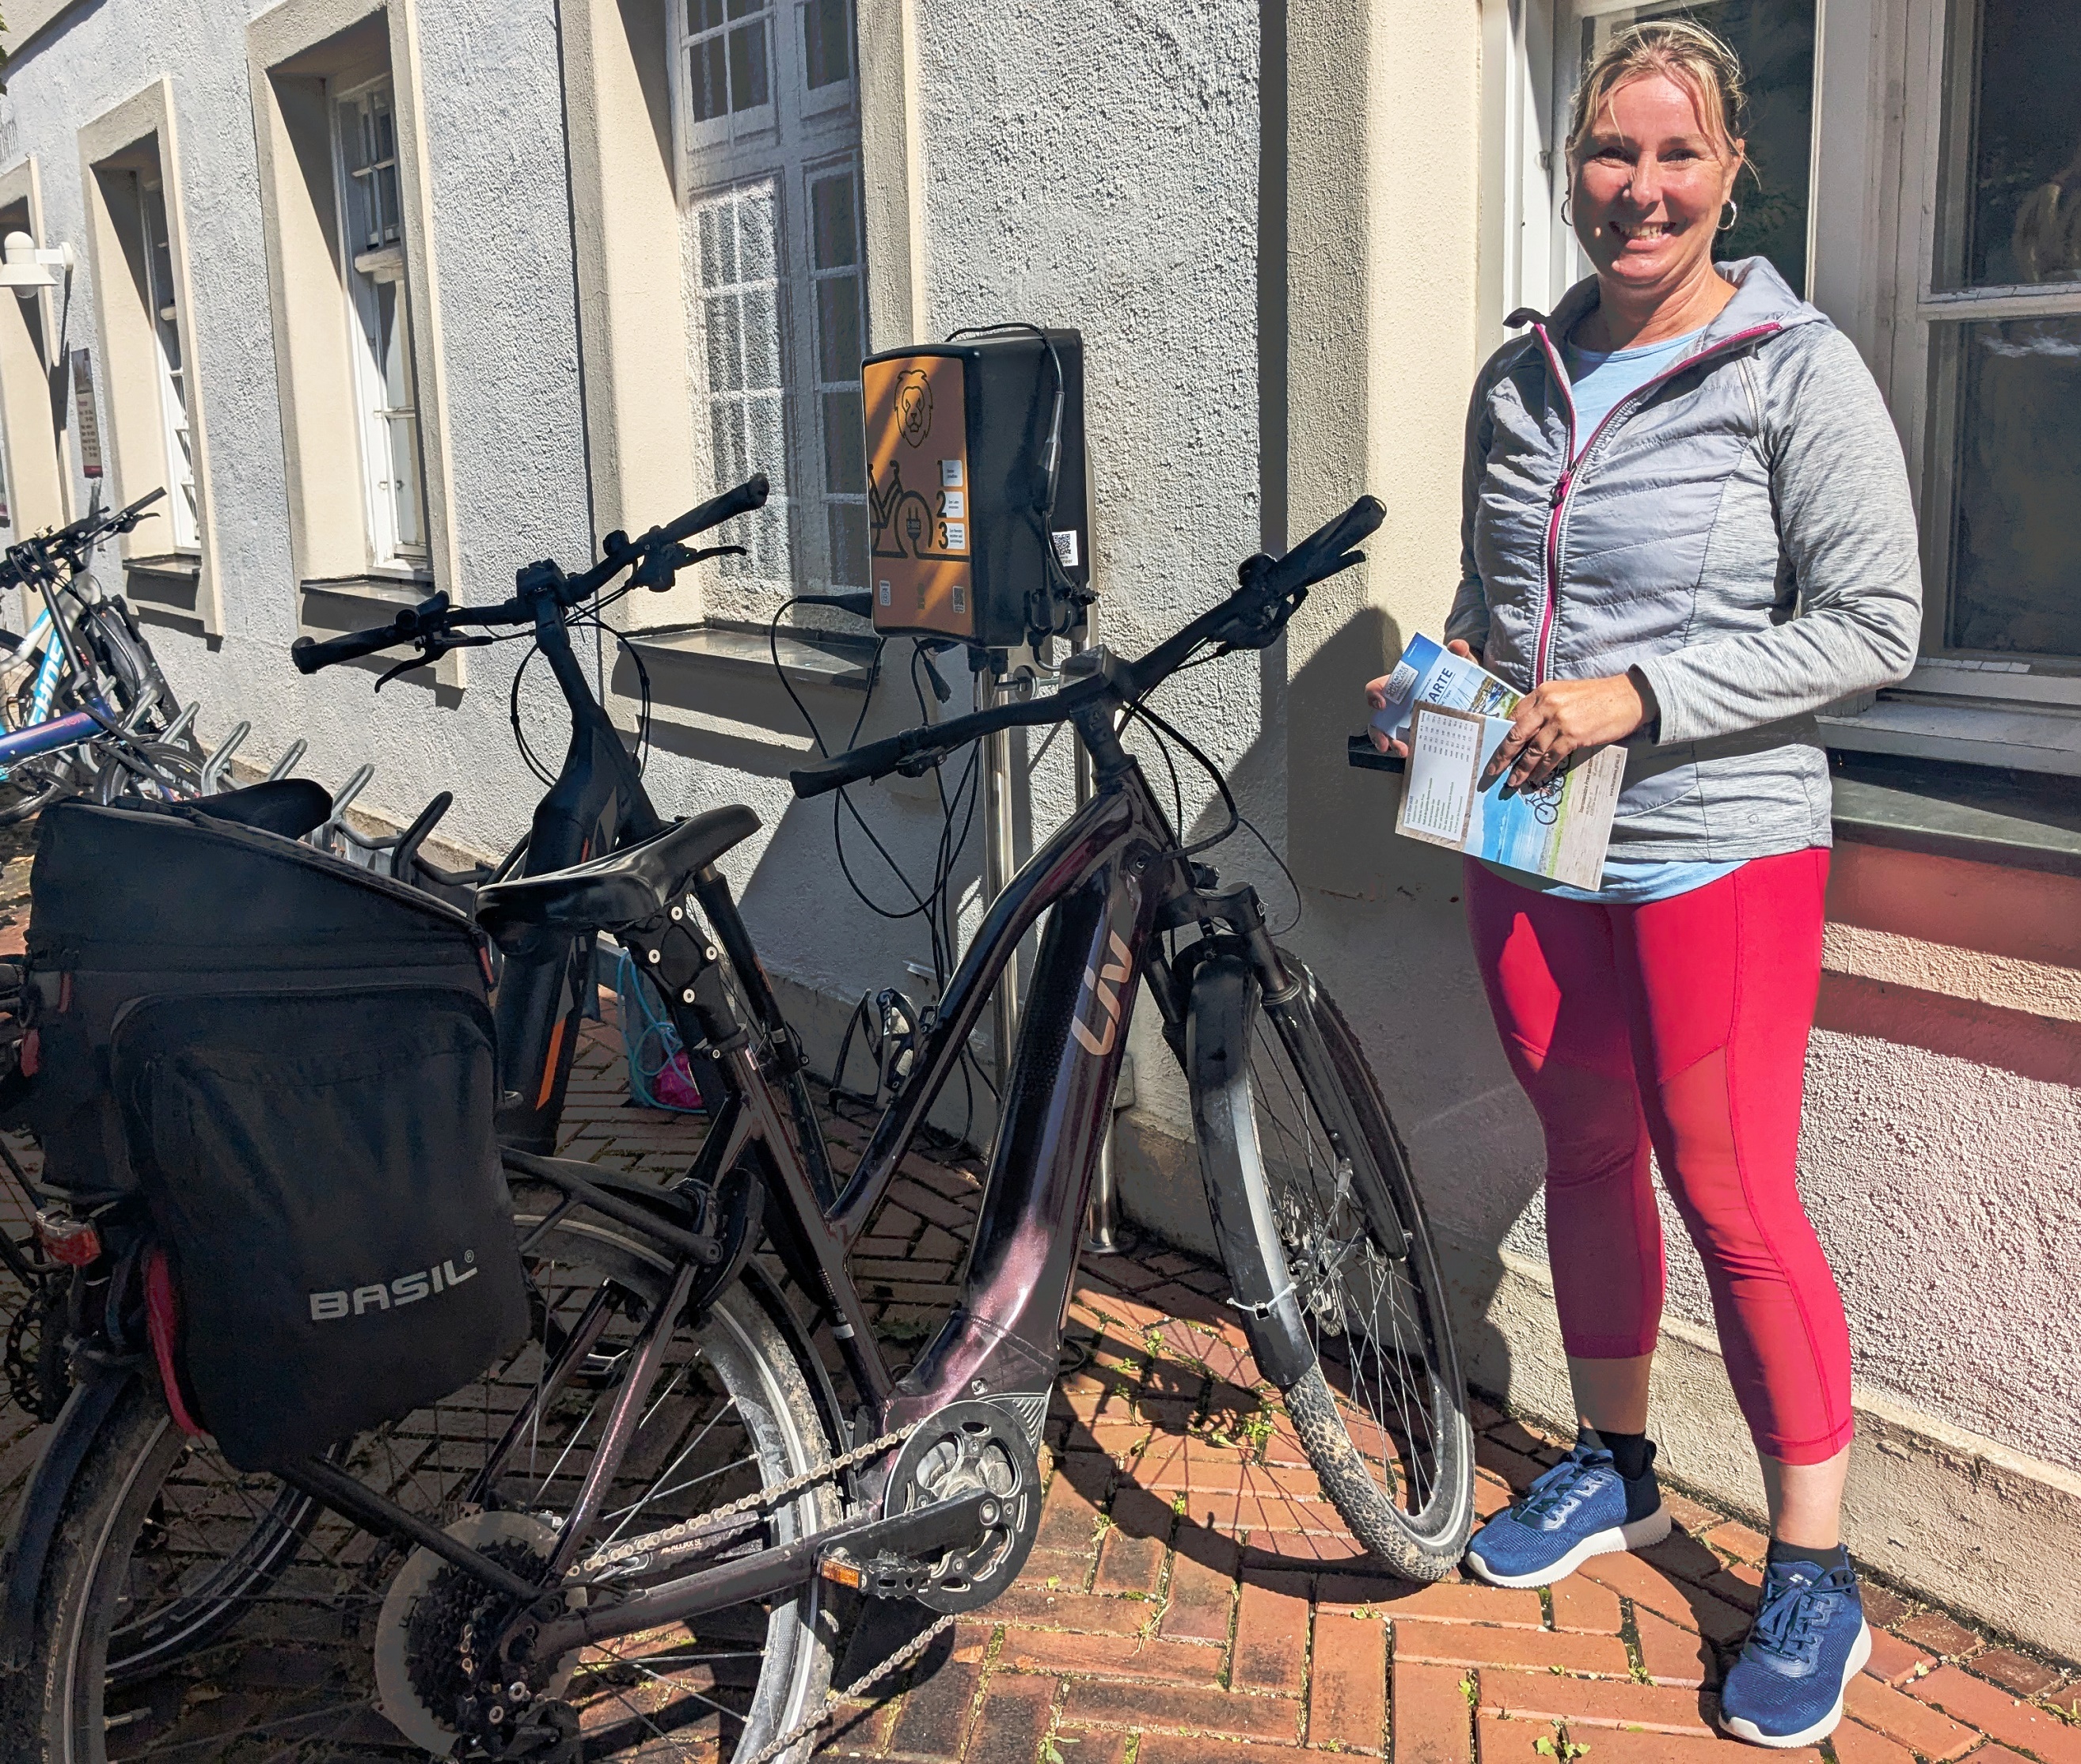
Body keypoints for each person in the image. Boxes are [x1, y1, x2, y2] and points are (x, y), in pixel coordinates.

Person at [1364, 20, 1921, 1751]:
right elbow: (1489, 588)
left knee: (1734, 1188)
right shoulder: (1517, 375)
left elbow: (1877, 623)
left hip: (1717, 839)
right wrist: (1437, 679)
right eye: (1611, 153)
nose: (1639, 188)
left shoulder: (1793, 367)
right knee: (1584, 1144)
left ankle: (1814, 1565)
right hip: (1534, 842)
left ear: (1730, 169)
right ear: (1572, 168)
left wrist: (1643, 695)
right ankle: (1614, 1467)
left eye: (1674, 156)